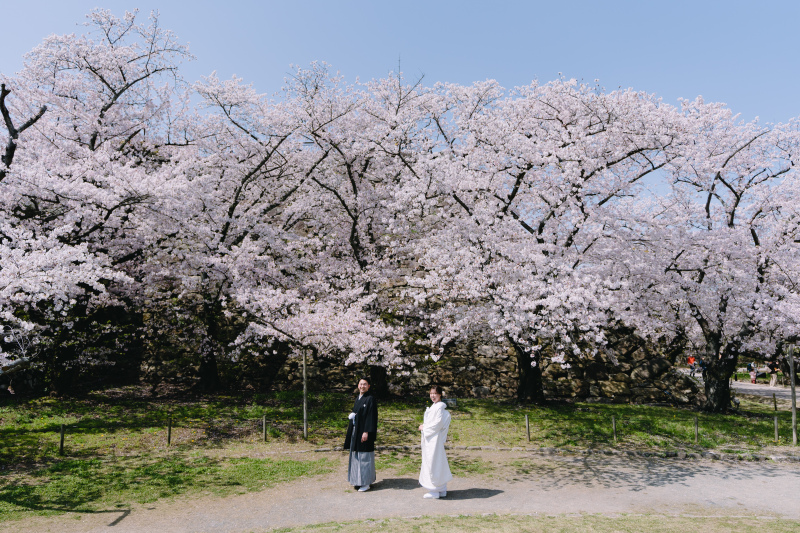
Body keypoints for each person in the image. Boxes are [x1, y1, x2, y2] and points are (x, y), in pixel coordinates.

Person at [343, 377, 378, 492]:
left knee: (364, 457)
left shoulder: (370, 399)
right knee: (356, 456)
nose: (362, 386)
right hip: (356, 431)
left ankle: (366, 482)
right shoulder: (358, 398)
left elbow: (371, 416)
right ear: (358, 385)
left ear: (369, 386)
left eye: (365, 384)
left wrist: (366, 431)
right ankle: (357, 480)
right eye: (360, 384)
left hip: (364, 432)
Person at [418, 385, 452, 499]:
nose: (433, 396)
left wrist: (424, 427)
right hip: (431, 439)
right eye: (431, 393)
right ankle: (441, 489)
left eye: (435, 394)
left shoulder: (439, 408)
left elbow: (437, 424)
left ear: (440, 395)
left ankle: (434, 490)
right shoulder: (435, 407)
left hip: (433, 439)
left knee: (433, 463)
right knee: (437, 461)